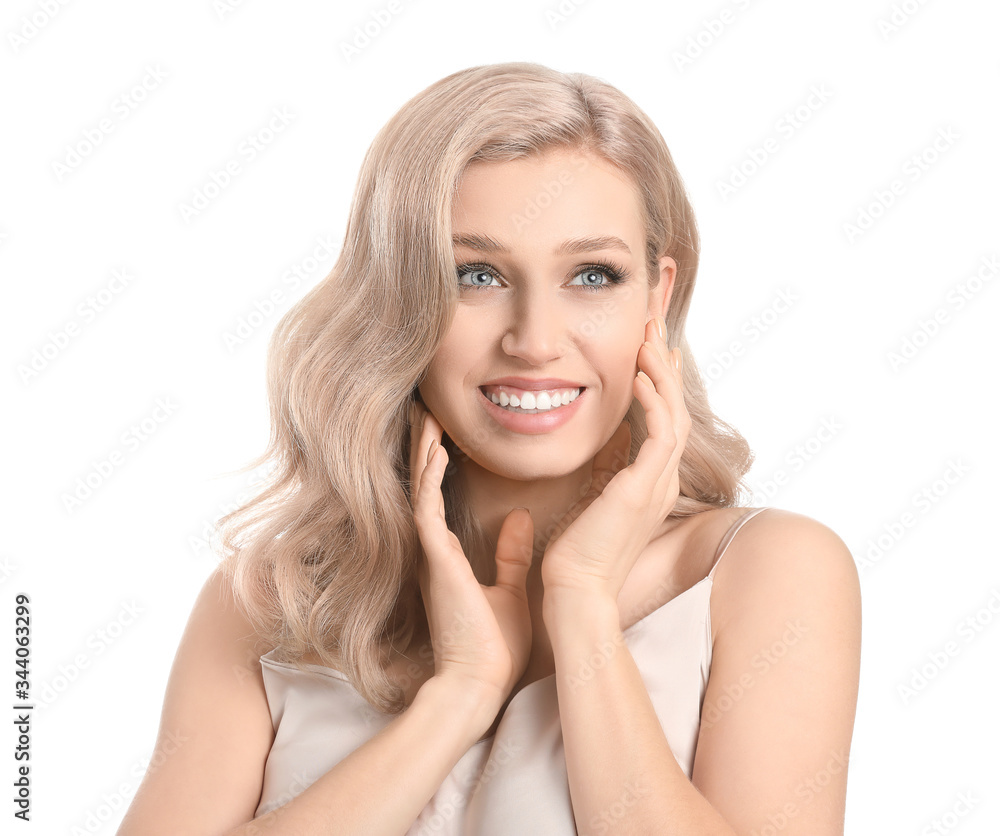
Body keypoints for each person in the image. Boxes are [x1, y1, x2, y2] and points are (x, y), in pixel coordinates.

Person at [118, 61, 861, 835]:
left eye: (593, 275)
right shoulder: (275, 602)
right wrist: (459, 698)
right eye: (475, 274)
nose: (535, 341)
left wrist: (581, 609)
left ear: (657, 295)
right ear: (396, 298)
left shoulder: (762, 572)